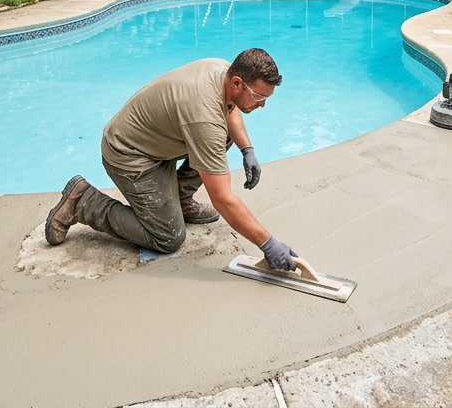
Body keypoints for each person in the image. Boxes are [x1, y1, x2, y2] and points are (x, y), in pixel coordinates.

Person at [44, 47, 297, 270]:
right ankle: (83, 202)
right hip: (129, 155)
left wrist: (246, 149)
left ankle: (181, 200)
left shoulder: (222, 70)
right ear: (238, 83)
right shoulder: (204, 116)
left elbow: (229, 110)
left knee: (223, 135)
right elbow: (222, 198)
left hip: (156, 143)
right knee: (168, 237)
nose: (263, 104)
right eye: (259, 97)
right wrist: (267, 243)